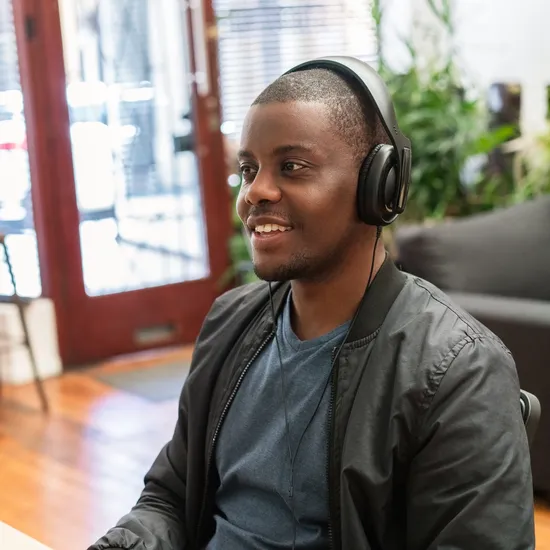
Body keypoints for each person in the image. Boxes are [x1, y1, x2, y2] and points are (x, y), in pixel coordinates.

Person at [88, 57, 535, 550]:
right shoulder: (230, 322)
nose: (254, 192)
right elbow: (170, 497)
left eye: (292, 167)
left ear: (378, 186)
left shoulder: (458, 370)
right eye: (248, 169)